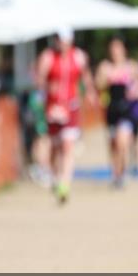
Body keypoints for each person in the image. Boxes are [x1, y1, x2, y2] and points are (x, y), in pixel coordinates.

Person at [36, 27, 97, 204]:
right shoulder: (47, 57)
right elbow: (40, 80)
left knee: (68, 145)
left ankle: (65, 183)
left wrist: (90, 93)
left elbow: (85, 77)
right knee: (55, 147)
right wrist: (46, 91)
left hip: (71, 107)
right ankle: (56, 177)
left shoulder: (78, 56)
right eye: (60, 40)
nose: (62, 43)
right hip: (52, 108)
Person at [95, 36, 138, 188]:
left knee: (122, 142)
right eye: (112, 48)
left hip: (127, 110)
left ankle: (121, 173)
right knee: (113, 144)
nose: (115, 51)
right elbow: (98, 85)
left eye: (118, 47)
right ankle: (116, 172)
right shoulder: (105, 66)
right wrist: (109, 79)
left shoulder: (132, 66)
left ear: (124, 49)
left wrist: (135, 91)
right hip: (112, 110)